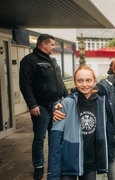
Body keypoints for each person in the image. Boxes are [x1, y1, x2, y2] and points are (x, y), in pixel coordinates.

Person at [53, 56, 115, 180]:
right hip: (114, 145)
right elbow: (83, 89)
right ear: (113, 69)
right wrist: (58, 106)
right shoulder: (105, 87)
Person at [19, 33, 68, 180]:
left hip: (56, 105)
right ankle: (39, 167)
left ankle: (54, 164)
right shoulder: (29, 61)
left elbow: (59, 81)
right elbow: (25, 85)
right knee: (40, 138)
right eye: (52, 44)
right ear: (44, 44)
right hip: (41, 107)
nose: (53, 47)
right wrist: (32, 104)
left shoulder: (52, 60)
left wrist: (67, 96)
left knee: (56, 136)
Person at [47, 66, 108, 180]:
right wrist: (53, 173)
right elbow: (55, 140)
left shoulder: (101, 102)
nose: (84, 84)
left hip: (90, 162)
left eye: (88, 80)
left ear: (95, 81)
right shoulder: (66, 104)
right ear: (74, 82)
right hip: (69, 161)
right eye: (80, 81)